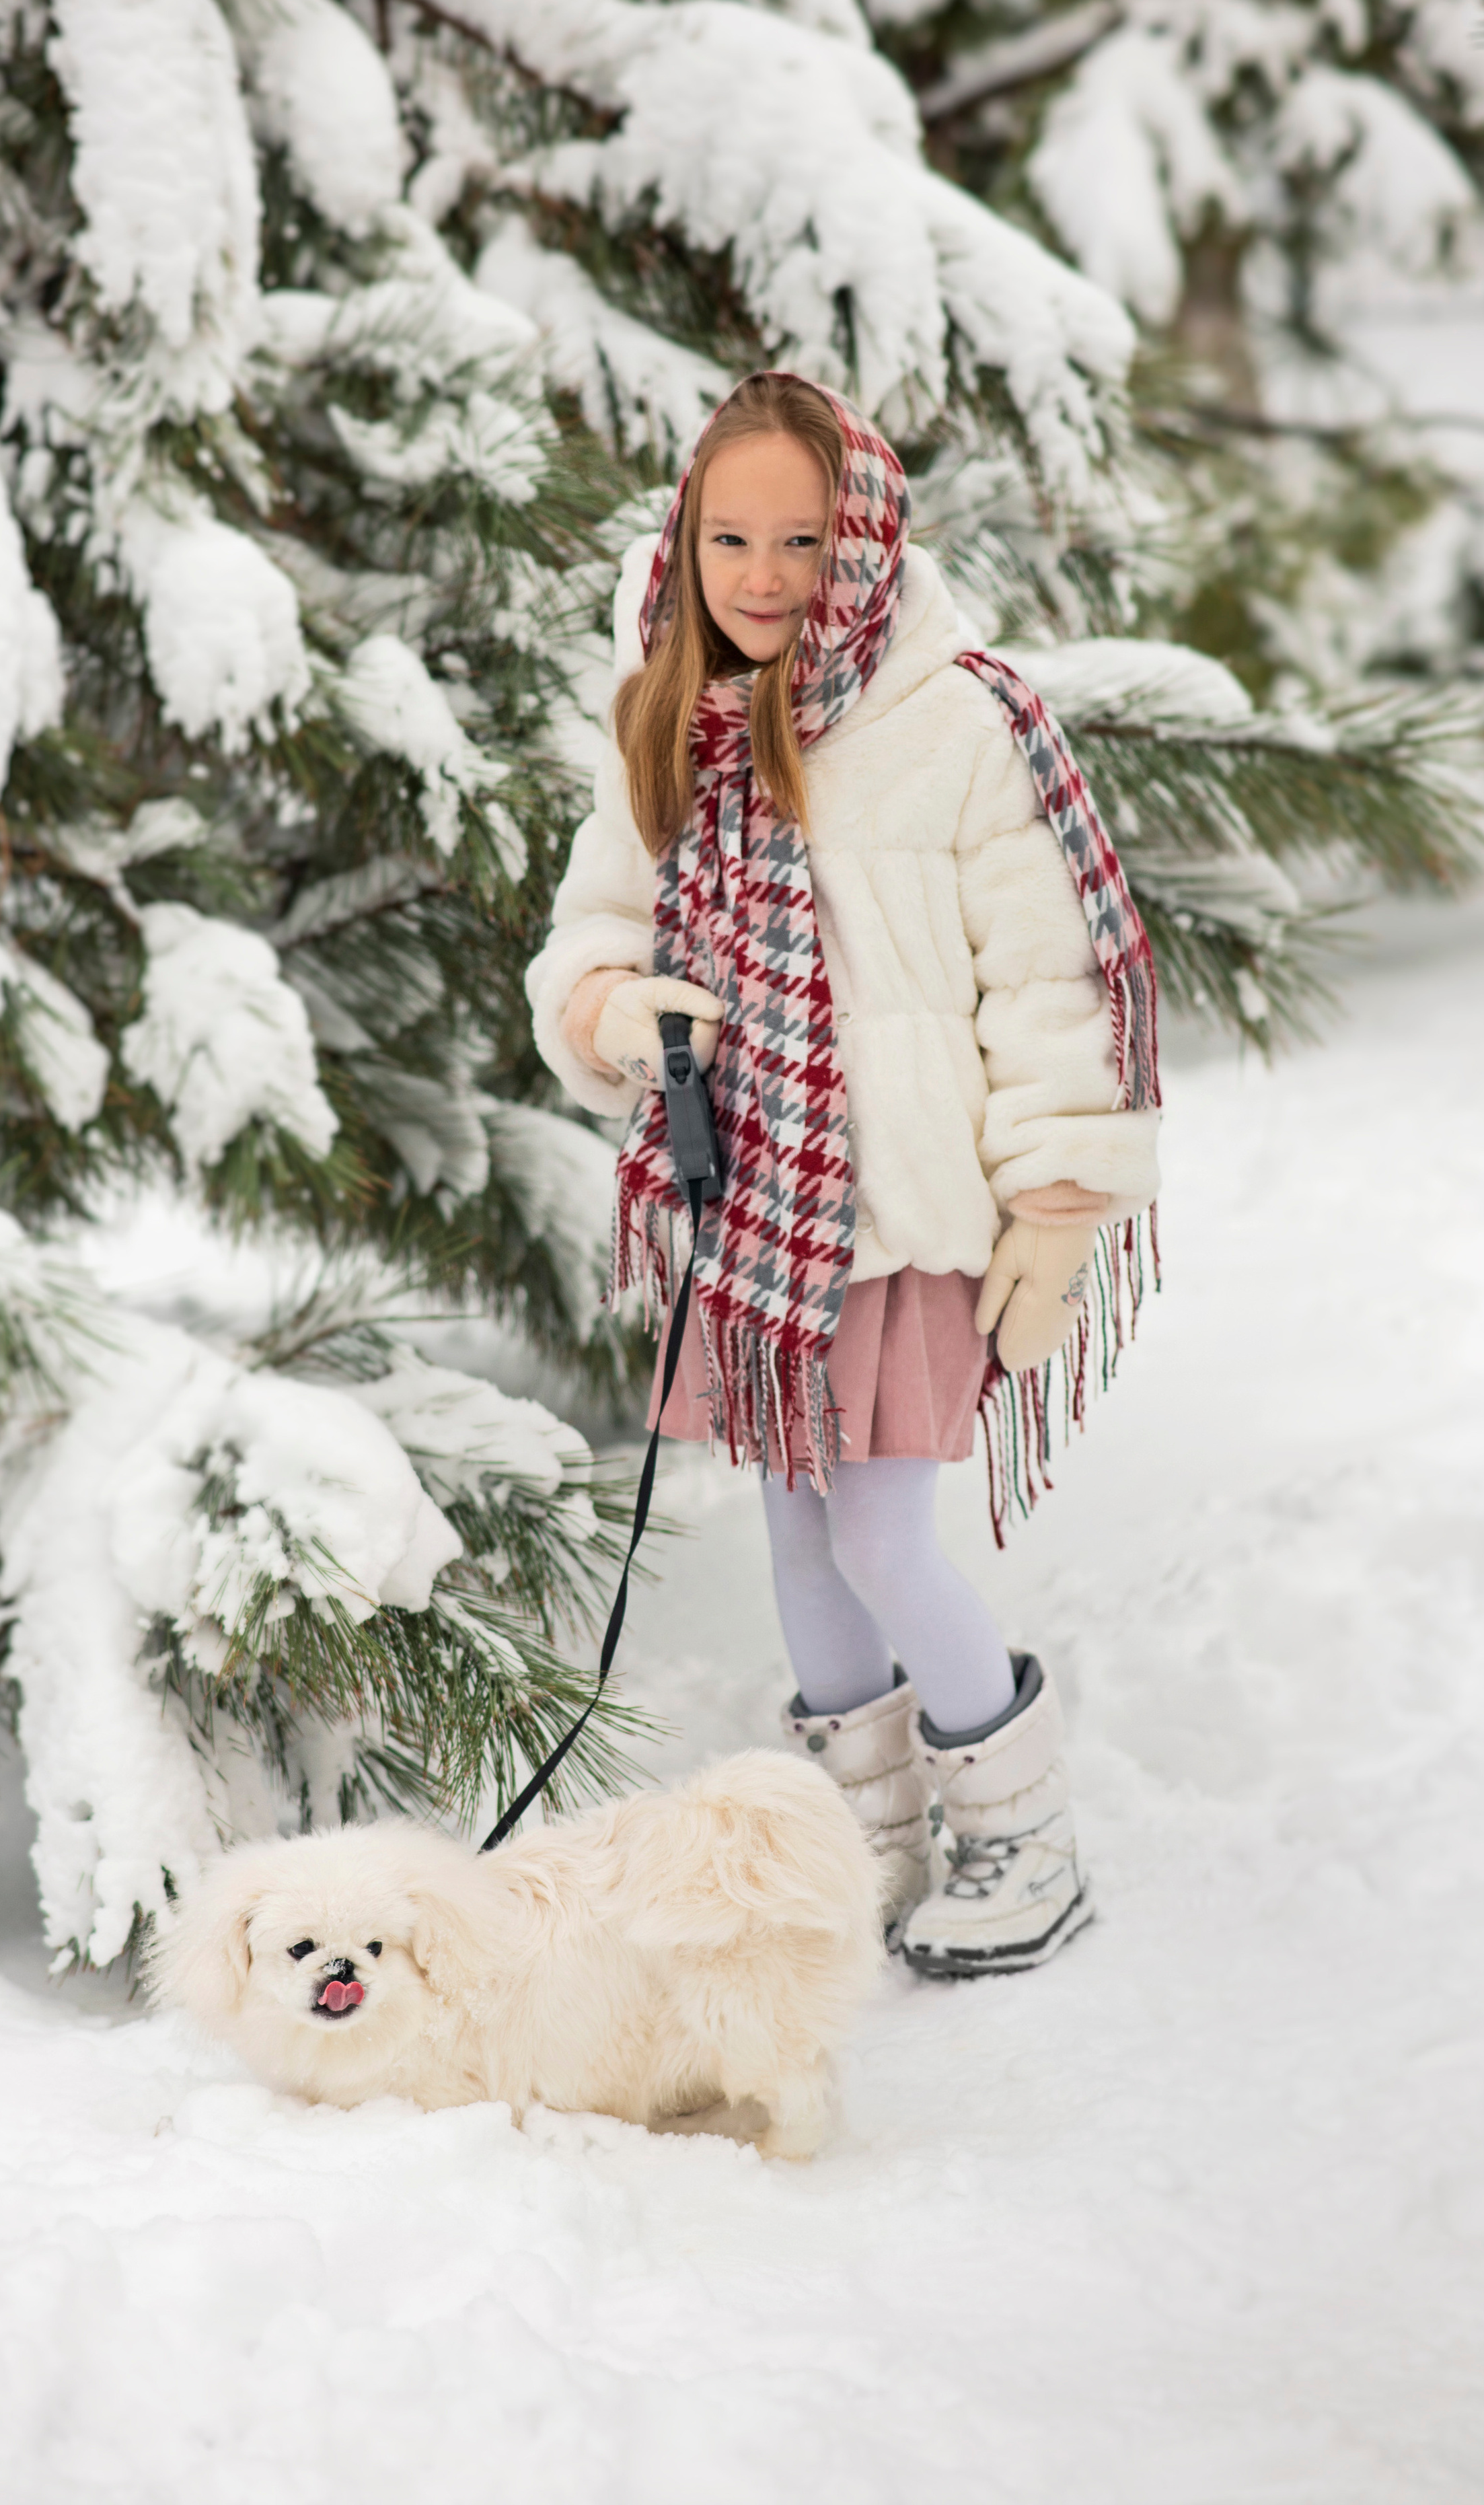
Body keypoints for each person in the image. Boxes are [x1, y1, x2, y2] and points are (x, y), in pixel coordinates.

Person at [525, 373, 1160, 1978]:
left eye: (797, 540)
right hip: (750, 1215)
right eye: (726, 536)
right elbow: (594, 923)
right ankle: (861, 1840)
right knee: (797, 1542)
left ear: (860, 538)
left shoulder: (955, 721)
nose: (757, 575)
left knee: (881, 1539)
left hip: (906, 1218)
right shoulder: (662, 714)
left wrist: (1063, 1198)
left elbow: (1045, 978)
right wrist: (610, 1005)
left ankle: (1017, 1825)